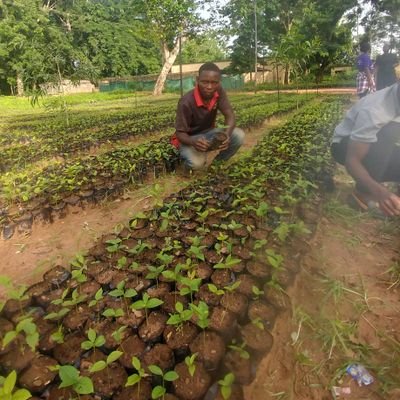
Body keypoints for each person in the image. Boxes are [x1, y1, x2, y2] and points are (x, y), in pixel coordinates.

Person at [331, 81, 400, 217]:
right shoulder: (375, 111)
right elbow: (352, 161)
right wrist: (381, 193)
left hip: (377, 145)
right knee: (388, 133)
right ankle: (363, 195)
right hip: (345, 147)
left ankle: (394, 200)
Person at [171, 62, 245, 171]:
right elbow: (180, 133)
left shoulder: (219, 91)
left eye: (214, 83)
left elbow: (230, 115)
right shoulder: (186, 101)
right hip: (189, 138)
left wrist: (227, 135)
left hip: (208, 133)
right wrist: (193, 142)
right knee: (197, 164)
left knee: (239, 135)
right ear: (197, 80)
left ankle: (216, 165)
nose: (209, 87)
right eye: (205, 82)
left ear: (219, 82)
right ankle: (185, 167)